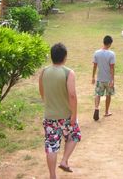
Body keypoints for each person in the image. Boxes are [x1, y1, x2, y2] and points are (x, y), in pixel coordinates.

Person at [39, 43, 81, 177]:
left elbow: (42, 91)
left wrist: (49, 102)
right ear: (65, 57)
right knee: (74, 135)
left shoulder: (44, 71)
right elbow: (72, 96)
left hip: (49, 116)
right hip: (66, 116)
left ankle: (52, 176)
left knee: (51, 146)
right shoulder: (68, 73)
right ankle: (64, 161)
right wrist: (74, 115)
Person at [92, 35, 115, 121]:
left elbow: (94, 66)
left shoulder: (96, 53)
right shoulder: (111, 54)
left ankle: (96, 107)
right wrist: (112, 80)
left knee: (98, 94)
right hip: (108, 79)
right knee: (108, 95)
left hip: (99, 79)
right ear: (110, 44)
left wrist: (93, 77)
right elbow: (112, 68)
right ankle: (106, 111)